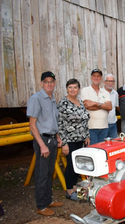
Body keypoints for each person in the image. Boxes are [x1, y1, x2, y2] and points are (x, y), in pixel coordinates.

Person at [26, 71, 63, 216]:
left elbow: (53, 121)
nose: (49, 84)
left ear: (54, 83)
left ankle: (48, 201)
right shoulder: (36, 98)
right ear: (41, 83)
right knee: (42, 174)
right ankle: (41, 206)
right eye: (46, 81)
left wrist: (58, 136)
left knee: (49, 172)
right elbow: (32, 124)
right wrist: (41, 145)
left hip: (52, 138)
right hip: (43, 140)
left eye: (52, 81)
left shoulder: (52, 97)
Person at [57, 79, 90, 201]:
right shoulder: (63, 103)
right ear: (66, 89)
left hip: (80, 139)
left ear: (78, 89)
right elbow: (59, 124)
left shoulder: (80, 102)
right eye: (70, 87)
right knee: (71, 164)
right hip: (69, 140)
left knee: (77, 164)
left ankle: (75, 187)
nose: (72, 89)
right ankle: (69, 190)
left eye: (75, 87)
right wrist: (64, 143)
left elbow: (84, 120)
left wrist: (87, 136)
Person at [81, 69, 112, 145]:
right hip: (91, 127)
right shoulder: (85, 90)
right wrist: (103, 106)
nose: (96, 78)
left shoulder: (105, 92)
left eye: (98, 76)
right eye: (94, 76)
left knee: (102, 150)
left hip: (104, 127)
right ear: (91, 77)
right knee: (92, 150)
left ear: (101, 78)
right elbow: (87, 106)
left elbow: (110, 107)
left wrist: (95, 103)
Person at [103, 73, 120, 138]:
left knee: (114, 144)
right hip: (103, 124)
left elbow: (116, 107)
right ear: (104, 82)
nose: (110, 83)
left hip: (113, 123)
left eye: (112, 81)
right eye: (108, 81)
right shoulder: (100, 92)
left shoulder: (115, 93)